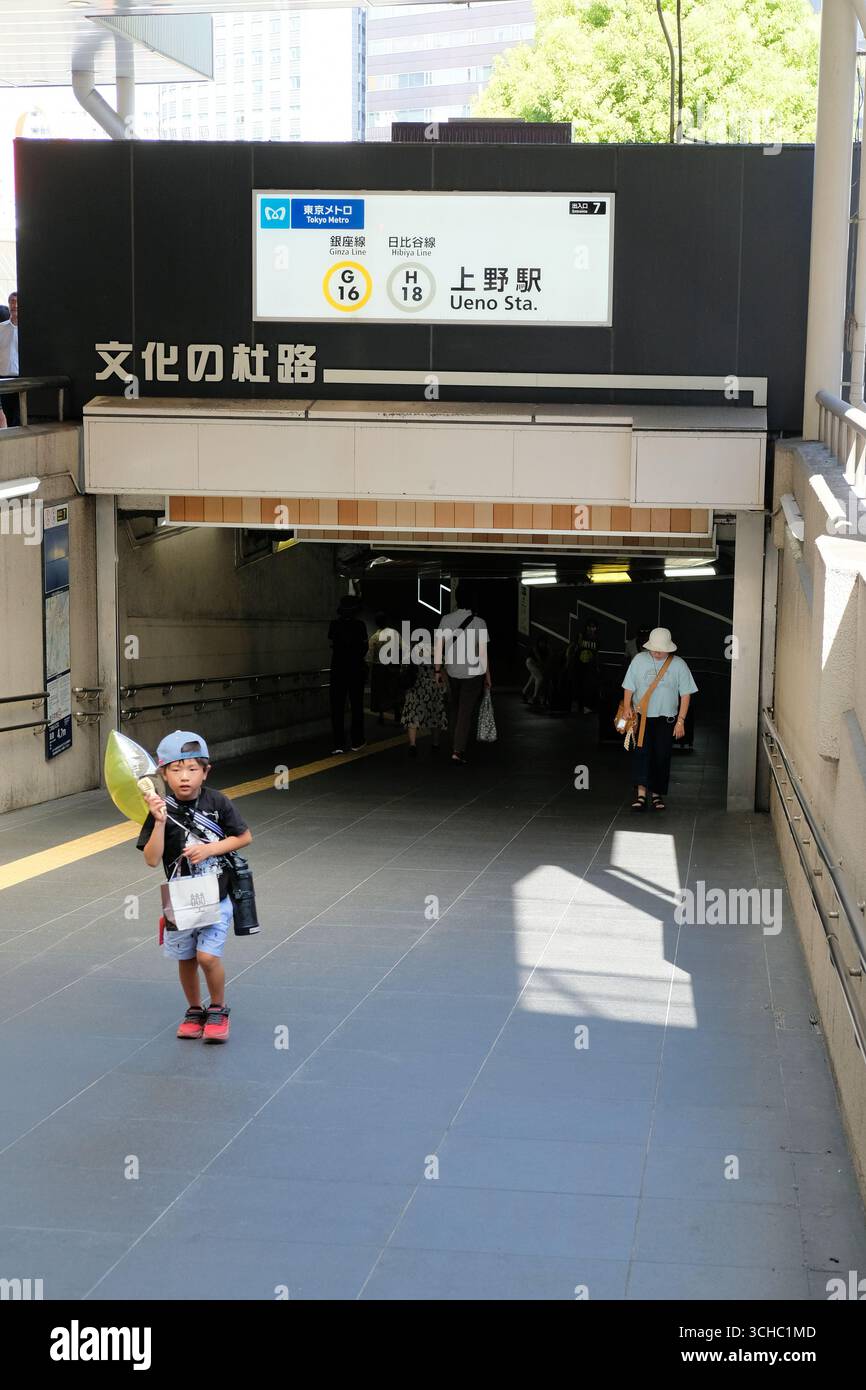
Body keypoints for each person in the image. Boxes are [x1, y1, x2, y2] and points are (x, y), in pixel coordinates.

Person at [137, 730, 252, 1042]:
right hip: (179, 898)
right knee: (186, 958)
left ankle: (217, 1007)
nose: (184, 777)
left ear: (205, 771)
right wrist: (159, 821)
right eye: (175, 770)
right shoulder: (160, 809)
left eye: (192, 769)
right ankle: (193, 1010)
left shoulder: (218, 802)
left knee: (207, 957)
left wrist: (210, 849)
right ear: (163, 774)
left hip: (217, 895)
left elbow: (244, 836)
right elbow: (151, 858)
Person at [620, 627, 697, 812]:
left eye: (660, 649)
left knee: (662, 756)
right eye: (654, 648)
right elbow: (628, 686)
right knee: (641, 754)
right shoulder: (639, 660)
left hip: (666, 720)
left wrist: (681, 721)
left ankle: (656, 794)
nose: (656, 652)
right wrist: (627, 707)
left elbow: (686, 694)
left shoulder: (678, 664)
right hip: (643, 717)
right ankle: (640, 794)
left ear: (669, 648)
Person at [434, 589, 491, 764]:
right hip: (473, 673)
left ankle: (455, 742)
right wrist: (488, 676)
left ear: (457, 600)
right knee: (465, 712)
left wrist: (437, 671)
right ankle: (457, 750)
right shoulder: (480, 622)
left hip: (452, 671)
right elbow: (483, 653)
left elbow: (438, 647)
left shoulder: (446, 619)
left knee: (455, 708)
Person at [328, 594, 368, 753]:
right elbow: (364, 648)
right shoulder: (360, 625)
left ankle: (338, 743)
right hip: (355, 670)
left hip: (337, 670)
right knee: (357, 705)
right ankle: (357, 741)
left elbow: (332, 644)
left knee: (337, 707)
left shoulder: (334, 625)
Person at [401, 633, 448, 757]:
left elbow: (404, 669)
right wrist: (444, 687)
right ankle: (435, 743)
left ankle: (412, 744)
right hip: (433, 688)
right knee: (435, 716)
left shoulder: (413, 652)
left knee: (413, 716)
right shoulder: (438, 654)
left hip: (416, 688)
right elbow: (443, 671)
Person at [367, 609, 401, 725]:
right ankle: (397, 713)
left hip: (379, 668)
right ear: (386, 621)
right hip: (393, 665)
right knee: (394, 690)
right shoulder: (394, 634)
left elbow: (370, 657)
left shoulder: (374, 638)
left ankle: (381, 716)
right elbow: (402, 648)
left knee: (380, 692)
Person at [0, 291, 19, 427]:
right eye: (12, 302)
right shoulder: (1, 329)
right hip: (3, 381)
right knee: (6, 417)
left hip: (22, 381)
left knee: (19, 419)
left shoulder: (29, 330)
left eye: (17, 302)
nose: (15, 305)